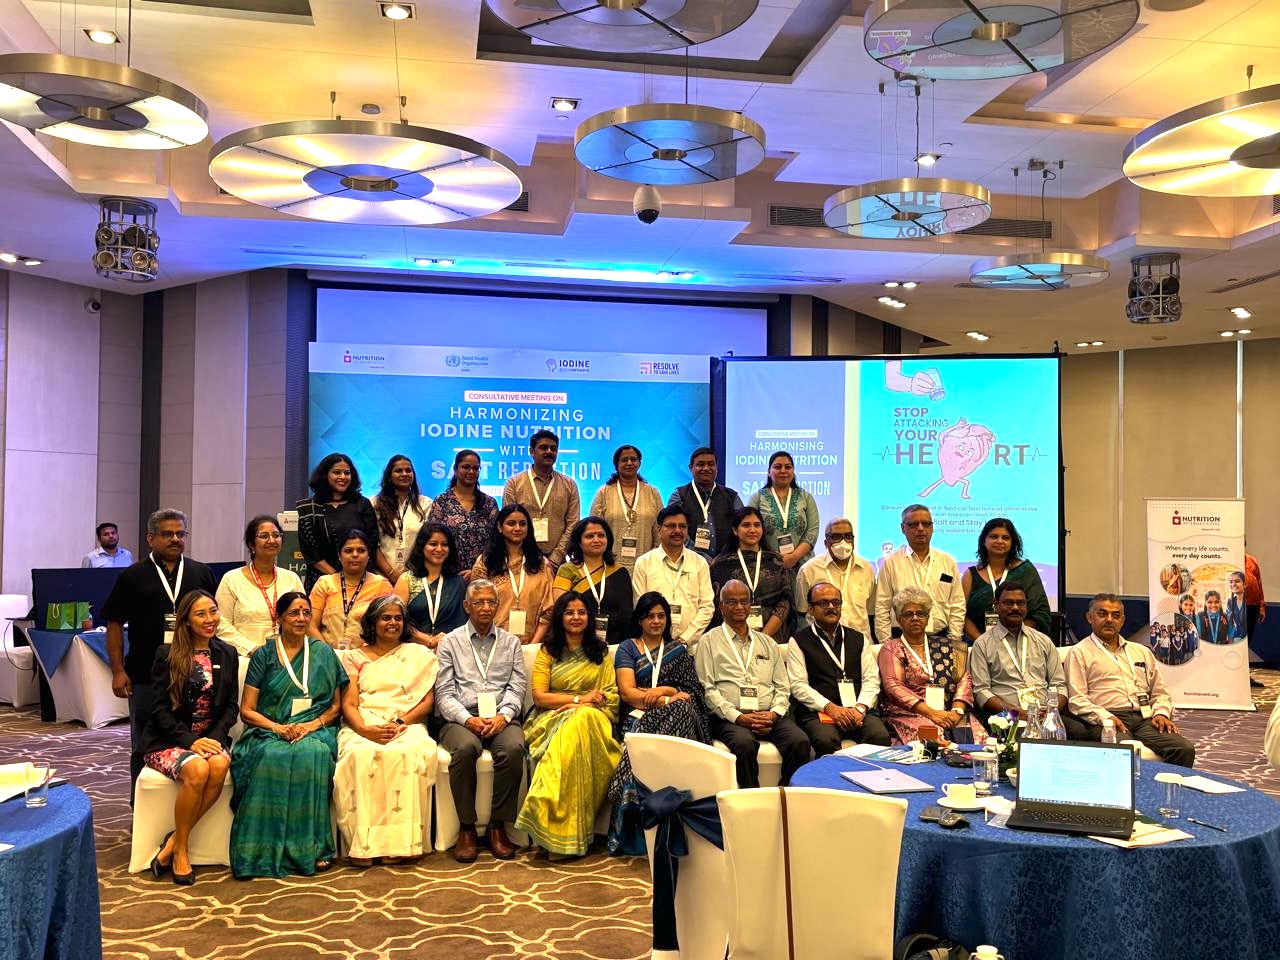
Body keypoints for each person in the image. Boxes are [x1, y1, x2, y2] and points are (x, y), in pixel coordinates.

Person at [230, 592, 347, 878]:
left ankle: (313, 848)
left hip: (315, 729)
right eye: (294, 613)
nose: (301, 619)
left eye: (306, 612)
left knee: (314, 754)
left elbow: (335, 707)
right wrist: (278, 728)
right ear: (279, 618)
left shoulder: (323, 652)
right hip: (270, 730)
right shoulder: (264, 655)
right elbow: (248, 711)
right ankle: (260, 850)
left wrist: (312, 725)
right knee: (272, 756)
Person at [104, 508, 219, 793]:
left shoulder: (200, 572)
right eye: (167, 534)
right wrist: (118, 671)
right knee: (143, 741)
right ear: (150, 539)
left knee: (194, 738)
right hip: (145, 673)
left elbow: (214, 621)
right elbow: (114, 623)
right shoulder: (132, 576)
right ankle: (139, 809)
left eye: (181, 534)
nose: (175, 539)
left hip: (195, 673)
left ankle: (185, 803)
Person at [140, 590, 238, 885]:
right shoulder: (167, 654)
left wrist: (215, 739)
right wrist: (190, 741)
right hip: (169, 740)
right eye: (200, 614)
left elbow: (231, 706)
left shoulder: (226, 653)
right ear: (185, 621)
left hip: (210, 738)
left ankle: (172, 841)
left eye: (213, 611)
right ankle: (182, 850)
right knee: (198, 768)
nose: (210, 620)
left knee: (218, 765)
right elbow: (158, 710)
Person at [334, 595, 439, 865]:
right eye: (385, 617)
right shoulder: (353, 657)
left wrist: (400, 723)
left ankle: (399, 844)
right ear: (373, 622)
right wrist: (364, 730)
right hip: (364, 721)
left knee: (407, 753)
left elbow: (427, 702)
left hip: (406, 722)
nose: (392, 623)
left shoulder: (419, 655)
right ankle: (365, 845)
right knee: (360, 755)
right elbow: (349, 703)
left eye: (397, 618)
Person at [516, 593, 621, 858]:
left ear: (589, 617)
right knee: (578, 721)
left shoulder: (601, 653)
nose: (576, 617)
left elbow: (610, 696)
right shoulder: (548, 651)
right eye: (569, 612)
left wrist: (585, 705)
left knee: (583, 719)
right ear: (560, 617)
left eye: (581, 612)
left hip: (594, 718)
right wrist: (578, 700)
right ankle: (561, 828)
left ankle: (553, 811)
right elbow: (540, 696)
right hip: (550, 717)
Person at [607, 591, 711, 855]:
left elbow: (691, 693)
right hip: (636, 718)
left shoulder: (677, 650)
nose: (656, 621)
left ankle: (668, 814)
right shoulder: (628, 648)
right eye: (649, 616)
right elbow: (628, 693)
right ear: (640, 620)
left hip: (672, 715)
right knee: (681, 711)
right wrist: (668, 699)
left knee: (685, 710)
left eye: (661, 616)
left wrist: (663, 689)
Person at [434, 579, 530, 863]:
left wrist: (505, 716)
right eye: (479, 602)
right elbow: (444, 693)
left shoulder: (511, 643)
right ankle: (466, 828)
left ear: (497, 606)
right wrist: (467, 719)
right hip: (461, 718)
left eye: (491, 602)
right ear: (467, 606)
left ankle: (497, 827)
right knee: (464, 749)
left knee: (513, 748)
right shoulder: (450, 642)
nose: (485, 607)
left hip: (501, 716)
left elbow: (517, 686)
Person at [695, 580, 811, 788]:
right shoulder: (708, 641)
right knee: (743, 744)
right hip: (730, 718)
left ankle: (784, 796)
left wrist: (774, 713)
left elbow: (783, 687)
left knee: (799, 741)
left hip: (768, 714)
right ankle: (752, 801)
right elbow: (707, 689)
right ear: (721, 606)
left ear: (751, 605)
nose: (739, 607)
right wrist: (739, 718)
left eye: (743, 601)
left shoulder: (767, 642)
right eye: (731, 602)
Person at [1064, 594, 1195, 767]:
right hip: (1109, 718)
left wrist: (1161, 713)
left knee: (1184, 749)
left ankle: (1169, 792)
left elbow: (1159, 692)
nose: (1110, 620)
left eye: (1116, 615)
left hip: (1145, 718)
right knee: (1126, 754)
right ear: (1090, 617)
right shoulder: (1079, 653)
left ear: (1123, 620)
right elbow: (1077, 700)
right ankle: (1138, 794)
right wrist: (1105, 717)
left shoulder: (1141, 651)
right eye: (1102, 614)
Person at [968, 582, 1091, 739]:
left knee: (1078, 731)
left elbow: (1059, 685)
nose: (1015, 608)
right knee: (1019, 733)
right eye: (1008, 603)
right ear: (996, 606)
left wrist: (1051, 711)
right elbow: (981, 692)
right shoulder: (983, 644)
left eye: (1020, 603)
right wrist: (1018, 713)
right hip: (1007, 715)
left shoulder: (1043, 641)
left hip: (1045, 714)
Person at [787, 581, 890, 756]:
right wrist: (830, 708)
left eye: (836, 602)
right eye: (823, 603)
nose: (831, 607)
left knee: (879, 736)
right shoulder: (798, 641)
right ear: (810, 609)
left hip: (858, 711)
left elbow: (871, 679)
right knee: (825, 740)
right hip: (820, 713)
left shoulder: (859, 639)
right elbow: (798, 685)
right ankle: (831, 783)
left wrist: (860, 708)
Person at [877, 586, 984, 744]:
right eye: (908, 614)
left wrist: (957, 710)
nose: (915, 618)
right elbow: (894, 686)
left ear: (927, 618)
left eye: (920, 613)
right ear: (899, 619)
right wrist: (932, 713)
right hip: (910, 712)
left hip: (949, 709)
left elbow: (964, 678)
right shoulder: (892, 648)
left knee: (978, 738)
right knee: (934, 741)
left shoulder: (947, 646)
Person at [874, 504, 965, 643]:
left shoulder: (948, 562)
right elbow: (882, 607)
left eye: (926, 524)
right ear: (903, 528)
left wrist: (954, 639)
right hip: (901, 639)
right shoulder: (890, 563)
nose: (921, 529)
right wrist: (886, 643)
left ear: (932, 527)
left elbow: (957, 604)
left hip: (941, 637)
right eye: (914, 524)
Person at [215, 515, 305, 656]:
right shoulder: (232, 579)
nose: (272, 540)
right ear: (251, 544)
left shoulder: (291, 579)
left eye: (276, 535)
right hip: (246, 657)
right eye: (264, 536)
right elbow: (221, 624)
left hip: (287, 656)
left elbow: (303, 617)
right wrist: (253, 649)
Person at [631, 505, 715, 649]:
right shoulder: (644, 562)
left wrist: (684, 639)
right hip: (653, 646)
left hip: (691, 646)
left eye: (682, 526)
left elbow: (707, 606)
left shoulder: (699, 562)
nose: (677, 531)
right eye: (671, 526)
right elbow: (641, 606)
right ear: (659, 530)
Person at [471, 503, 553, 645]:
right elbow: (476, 606)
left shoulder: (541, 564)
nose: (517, 528)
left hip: (533, 644)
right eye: (511, 523)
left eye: (522, 524)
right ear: (499, 527)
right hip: (492, 643)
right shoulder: (485, 563)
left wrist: (532, 646)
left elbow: (549, 611)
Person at [296, 453, 379, 591]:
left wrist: (351, 577)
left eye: (347, 473)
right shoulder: (308, 508)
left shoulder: (362, 504)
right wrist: (336, 576)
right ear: (325, 475)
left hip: (360, 579)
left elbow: (372, 542)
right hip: (321, 581)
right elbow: (310, 551)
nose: (343, 477)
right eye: (336, 472)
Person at [961, 517, 1052, 640]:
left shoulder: (1026, 571)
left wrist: (1011, 638)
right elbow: (961, 614)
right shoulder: (970, 574)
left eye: (1005, 537)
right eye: (994, 536)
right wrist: (983, 643)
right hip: (977, 646)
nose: (999, 541)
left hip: (1019, 644)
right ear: (984, 540)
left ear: (1012, 542)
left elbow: (1040, 613)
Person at [708, 506, 791, 640]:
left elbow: (785, 602)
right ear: (735, 530)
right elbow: (718, 605)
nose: (752, 530)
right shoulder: (720, 565)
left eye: (757, 525)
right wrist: (742, 636)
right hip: (732, 638)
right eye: (746, 525)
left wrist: (763, 637)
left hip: (772, 636)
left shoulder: (776, 561)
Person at [501, 429, 580, 567]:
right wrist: (526, 555)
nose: (549, 451)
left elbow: (573, 524)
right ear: (532, 451)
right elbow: (509, 523)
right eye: (543, 447)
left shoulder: (569, 485)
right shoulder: (514, 483)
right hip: (522, 559)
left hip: (557, 562)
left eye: (553, 449)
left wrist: (555, 558)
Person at [553, 516, 634, 646]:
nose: (596, 540)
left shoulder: (620, 571)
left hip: (614, 643)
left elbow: (626, 613)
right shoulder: (567, 570)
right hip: (577, 642)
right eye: (589, 536)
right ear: (579, 542)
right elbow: (561, 609)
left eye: (601, 535)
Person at [307, 529, 392, 650]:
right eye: (348, 551)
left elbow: (389, 628)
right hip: (327, 657)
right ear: (339, 556)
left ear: (368, 555)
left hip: (368, 658)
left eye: (361, 550)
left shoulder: (381, 585)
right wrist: (328, 655)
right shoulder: (325, 583)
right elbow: (311, 626)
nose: (355, 555)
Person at [796, 518, 876, 637]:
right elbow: (802, 611)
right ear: (826, 542)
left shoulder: (867, 569)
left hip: (860, 644)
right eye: (836, 537)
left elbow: (870, 611)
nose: (843, 542)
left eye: (848, 536)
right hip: (821, 644)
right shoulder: (808, 570)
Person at [589, 444, 663, 571]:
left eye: (633, 459)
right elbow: (593, 529)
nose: (629, 463)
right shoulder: (604, 492)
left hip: (646, 565)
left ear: (639, 463)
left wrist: (658, 558)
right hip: (609, 565)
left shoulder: (652, 492)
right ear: (616, 464)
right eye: (624, 460)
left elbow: (660, 530)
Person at [426, 449, 499, 575]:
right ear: (455, 469)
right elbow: (432, 539)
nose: (471, 471)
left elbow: (497, 542)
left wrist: (476, 571)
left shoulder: (489, 503)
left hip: (483, 574)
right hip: (448, 575)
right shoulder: (442, 502)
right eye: (466, 467)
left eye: (476, 468)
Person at [747, 451, 819, 575]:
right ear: (769, 472)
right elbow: (748, 528)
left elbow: (813, 530)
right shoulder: (758, 498)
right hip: (767, 564)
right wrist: (774, 556)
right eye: (777, 467)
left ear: (793, 471)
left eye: (788, 467)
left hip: (802, 564)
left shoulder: (806, 497)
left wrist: (794, 557)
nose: (783, 470)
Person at [394, 523, 466, 647]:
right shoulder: (406, 580)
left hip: (452, 650)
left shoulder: (459, 582)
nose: (439, 549)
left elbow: (464, 624)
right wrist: (428, 639)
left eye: (444, 545)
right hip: (413, 651)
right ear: (422, 547)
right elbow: (395, 619)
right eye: (433, 544)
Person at [668, 447, 743, 561]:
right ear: (691, 468)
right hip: (689, 561)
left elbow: (741, 529)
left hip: (726, 561)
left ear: (717, 467)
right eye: (700, 464)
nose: (706, 468)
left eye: (711, 464)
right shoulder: (679, 495)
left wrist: (724, 557)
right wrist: (700, 558)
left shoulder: (731, 496)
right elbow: (673, 529)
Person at [371, 454, 433, 586]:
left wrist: (409, 576)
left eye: (408, 470)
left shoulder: (425, 504)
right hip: (381, 578)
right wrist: (391, 574)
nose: (404, 474)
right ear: (389, 476)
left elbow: (428, 542)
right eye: (398, 471)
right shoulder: (374, 504)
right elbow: (371, 544)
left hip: (417, 576)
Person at [1244, 552, 1267, 687]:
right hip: (1236, 608)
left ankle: (1246, 675)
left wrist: (1261, 606)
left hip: (1252, 606)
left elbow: (1259, 583)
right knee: (1237, 642)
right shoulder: (1230, 557)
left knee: (1247, 642)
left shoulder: (1252, 561)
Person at [1227, 570, 1248, 641]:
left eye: (1237, 581)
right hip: (1236, 639)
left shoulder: (1250, 601)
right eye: (1231, 582)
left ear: (1244, 584)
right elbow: (1230, 624)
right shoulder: (1230, 602)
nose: (1233, 584)